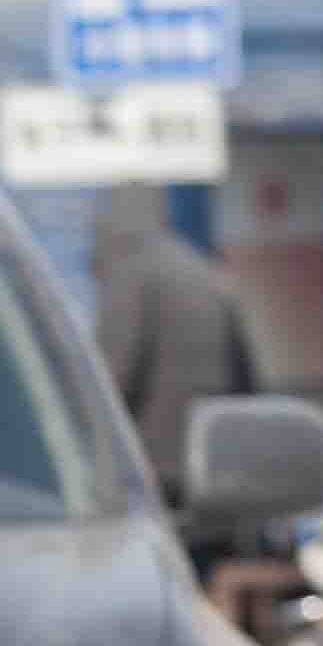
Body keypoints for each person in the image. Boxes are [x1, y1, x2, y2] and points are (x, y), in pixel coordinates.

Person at [89, 185, 268, 531]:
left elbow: (110, 381)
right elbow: (247, 383)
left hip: (151, 482)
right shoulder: (203, 271)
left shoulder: (131, 273)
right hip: (214, 481)